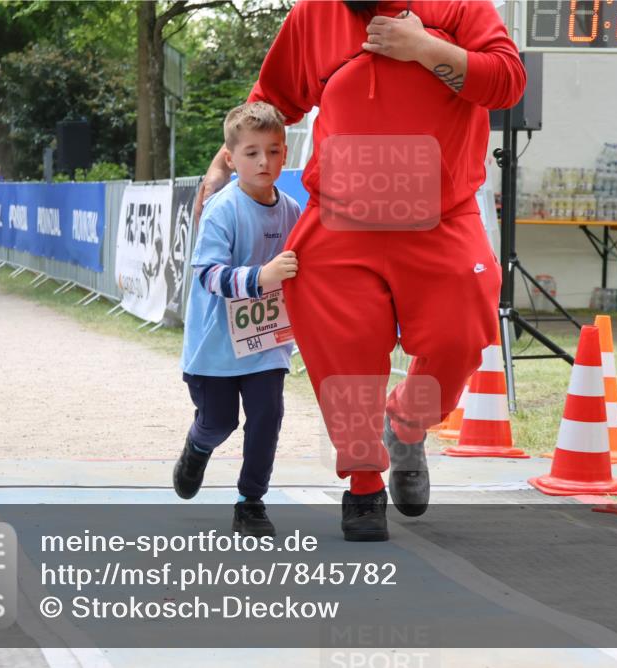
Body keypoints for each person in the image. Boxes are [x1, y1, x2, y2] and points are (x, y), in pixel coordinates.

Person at [194, 0, 525, 541]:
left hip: (439, 215)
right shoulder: (313, 15)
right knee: (342, 353)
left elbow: (508, 82)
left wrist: (425, 49)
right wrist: (220, 161)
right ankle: (365, 485)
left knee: (461, 334)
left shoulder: (460, 5)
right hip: (343, 219)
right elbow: (271, 101)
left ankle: (408, 424)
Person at [174, 101, 301, 538]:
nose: (264, 161)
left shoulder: (292, 211)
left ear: (286, 154)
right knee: (220, 422)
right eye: (251, 153)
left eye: (273, 150)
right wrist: (260, 277)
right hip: (215, 347)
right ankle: (198, 446)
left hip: (266, 343)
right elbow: (207, 273)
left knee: (268, 417)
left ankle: (251, 501)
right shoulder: (222, 209)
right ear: (231, 159)